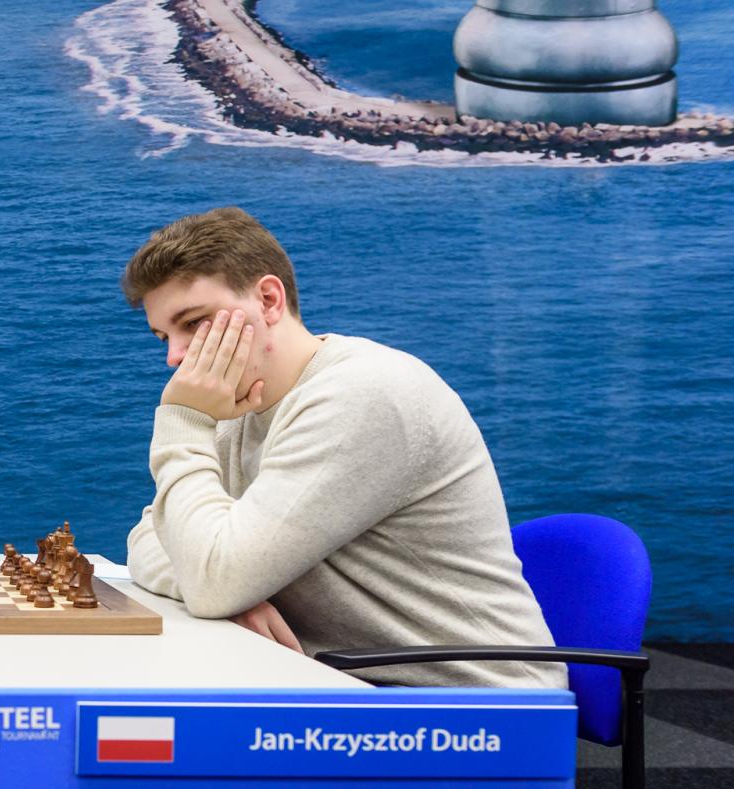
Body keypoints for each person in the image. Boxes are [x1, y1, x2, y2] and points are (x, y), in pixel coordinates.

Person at [122, 207, 563, 689]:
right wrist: (221, 591)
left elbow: (212, 580)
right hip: (352, 684)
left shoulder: (363, 393)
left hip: (481, 703)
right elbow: (148, 539)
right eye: (164, 337)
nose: (175, 357)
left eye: (194, 323)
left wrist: (185, 422)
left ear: (269, 299)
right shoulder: (240, 408)